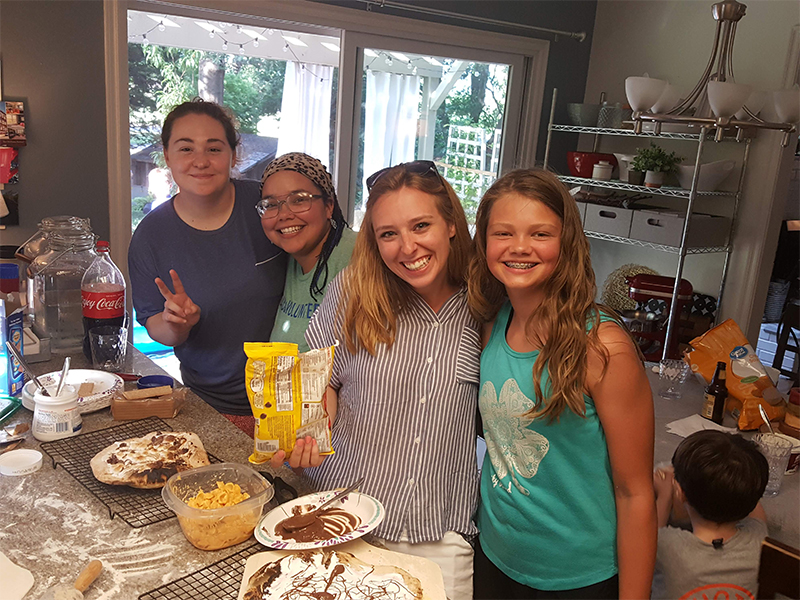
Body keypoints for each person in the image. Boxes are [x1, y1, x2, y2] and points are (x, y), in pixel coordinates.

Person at [271, 161, 480, 600]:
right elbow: (318, 376)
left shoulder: (487, 305)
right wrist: (309, 429)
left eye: (421, 225)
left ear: (452, 226)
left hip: (438, 533)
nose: (407, 247)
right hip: (341, 513)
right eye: (388, 234)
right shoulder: (352, 290)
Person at [468, 169, 657, 599]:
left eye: (540, 233)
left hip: (579, 578)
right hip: (496, 557)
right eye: (503, 233)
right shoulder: (491, 324)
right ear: (484, 243)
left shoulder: (603, 348)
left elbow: (635, 495)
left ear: (566, 243)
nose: (519, 247)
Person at [129, 99, 286, 423]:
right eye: (186, 149)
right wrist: (176, 323)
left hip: (295, 397)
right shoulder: (150, 237)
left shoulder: (266, 207)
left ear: (233, 155)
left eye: (214, 149)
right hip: (215, 406)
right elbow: (155, 324)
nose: (200, 161)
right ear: (167, 155)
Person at [652, 430, 769, 600]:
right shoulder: (759, 537)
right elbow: (754, 503)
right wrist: (737, 477)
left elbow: (646, 539)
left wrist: (665, 495)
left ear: (681, 493)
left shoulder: (667, 546)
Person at [258, 153, 356, 352]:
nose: (284, 214)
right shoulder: (286, 262)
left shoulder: (361, 255)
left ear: (329, 206)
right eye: (270, 205)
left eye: (299, 200)